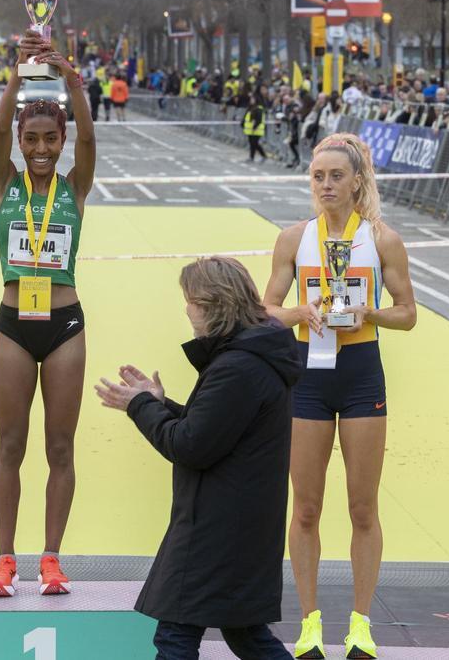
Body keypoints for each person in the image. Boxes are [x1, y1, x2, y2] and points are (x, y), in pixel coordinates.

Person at [95, 257, 301, 660]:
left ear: (210, 305)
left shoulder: (237, 367)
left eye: (190, 300)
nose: (186, 309)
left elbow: (189, 445)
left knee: (176, 634)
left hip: (218, 526)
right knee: (246, 635)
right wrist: (158, 403)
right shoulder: (251, 358)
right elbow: (211, 427)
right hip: (241, 522)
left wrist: (141, 407)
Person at [261, 133, 417, 660]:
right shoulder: (293, 238)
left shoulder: (382, 240)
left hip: (360, 375)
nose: (326, 185)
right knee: (305, 508)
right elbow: (266, 311)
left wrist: (368, 313)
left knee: (362, 507)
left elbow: (408, 314)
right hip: (308, 374)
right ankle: (309, 624)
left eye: (335, 176)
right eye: (318, 176)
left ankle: (361, 624)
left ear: (356, 182)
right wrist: (300, 313)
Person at [0, 29, 95, 598]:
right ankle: (5, 559)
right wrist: (19, 70)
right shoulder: (6, 183)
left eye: (52, 138)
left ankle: (51, 558)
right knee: (10, 444)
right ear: (22, 143)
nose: (43, 148)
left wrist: (69, 75)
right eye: (34, 139)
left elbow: (89, 137)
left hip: (63, 326)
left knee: (59, 446)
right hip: (13, 327)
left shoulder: (75, 186)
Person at [244, 96, 266, 162]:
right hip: (250, 130)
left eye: (252, 99)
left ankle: (263, 155)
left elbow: (259, 119)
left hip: (257, 130)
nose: (251, 100)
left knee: (255, 143)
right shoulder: (250, 108)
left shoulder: (259, 109)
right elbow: (246, 117)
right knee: (252, 144)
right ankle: (251, 157)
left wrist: (255, 126)